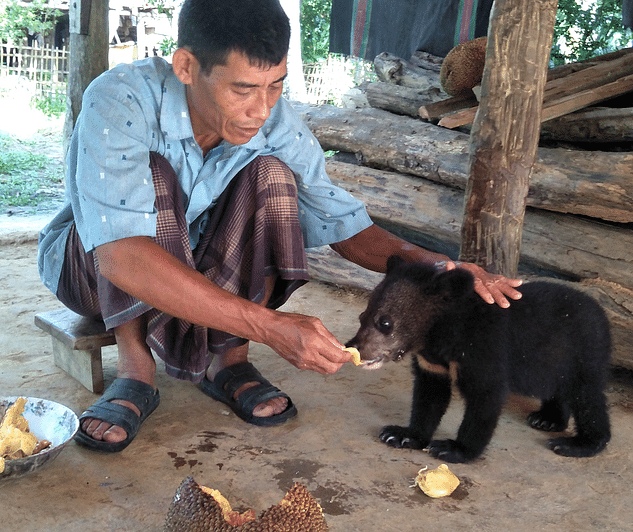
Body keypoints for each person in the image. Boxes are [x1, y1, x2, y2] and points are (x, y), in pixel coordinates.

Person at [37, 0, 523, 453]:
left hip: (198, 267)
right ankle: (136, 368)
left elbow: (340, 218)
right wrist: (269, 326)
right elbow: (122, 255)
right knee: (155, 181)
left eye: (276, 86)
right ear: (186, 66)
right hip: (93, 274)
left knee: (271, 175)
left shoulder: (273, 120)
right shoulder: (121, 99)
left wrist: (438, 265)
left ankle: (228, 360)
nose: (261, 109)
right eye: (243, 89)